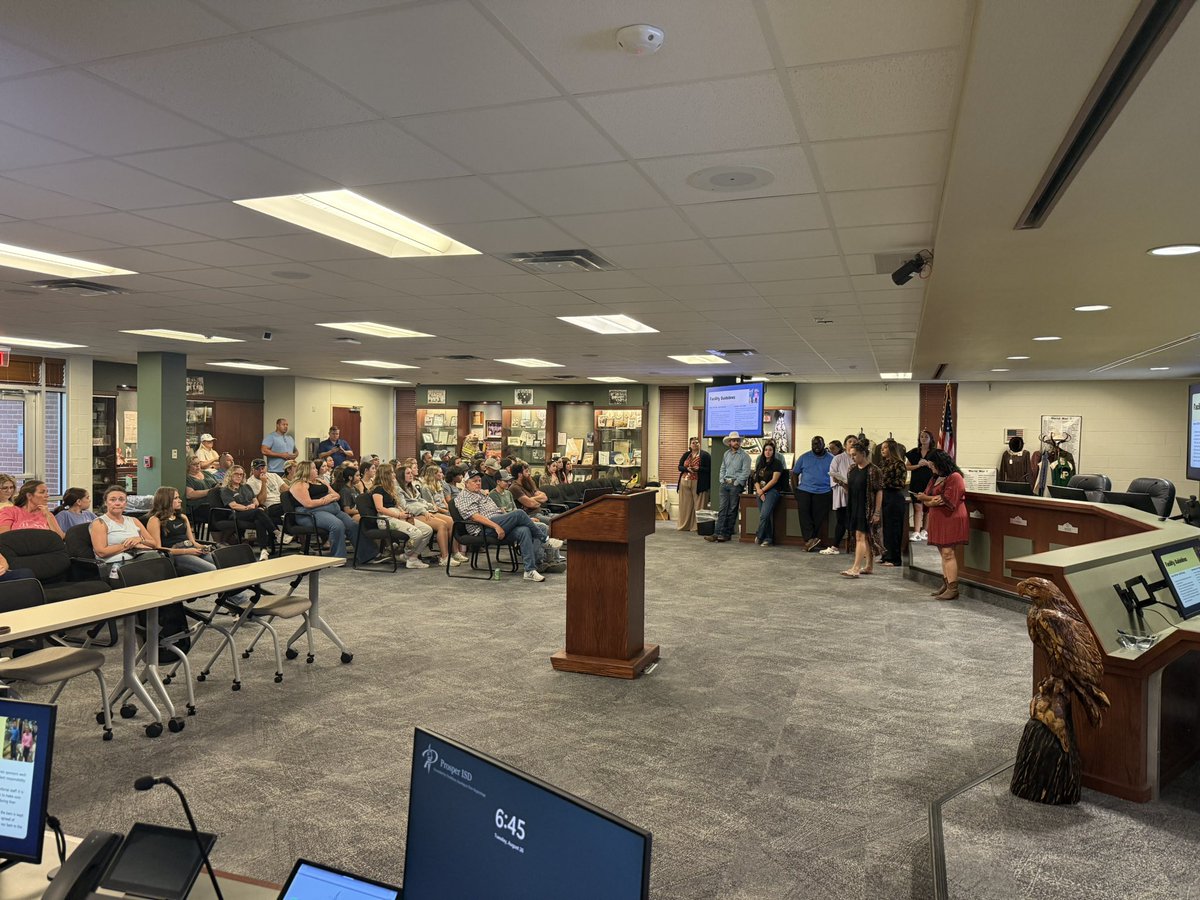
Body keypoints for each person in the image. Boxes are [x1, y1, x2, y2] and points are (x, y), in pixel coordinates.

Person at [454, 470, 564, 582]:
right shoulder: (464, 497)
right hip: (484, 527)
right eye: (474, 481)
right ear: (466, 483)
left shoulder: (481, 494)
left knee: (526, 530)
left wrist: (525, 520)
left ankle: (530, 570)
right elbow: (475, 517)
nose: (478, 483)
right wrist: (496, 526)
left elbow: (498, 511)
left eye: (479, 481)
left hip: (498, 520)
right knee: (520, 513)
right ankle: (545, 540)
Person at [290, 461, 377, 565]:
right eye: (313, 468)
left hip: (330, 509)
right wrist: (325, 500)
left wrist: (329, 499)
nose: (316, 470)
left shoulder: (320, 481)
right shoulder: (299, 484)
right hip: (311, 513)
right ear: (306, 471)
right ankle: (337, 558)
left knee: (352, 525)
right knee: (337, 525)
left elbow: (336, 495)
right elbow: (308, 503)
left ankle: (367, 555)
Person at [916, 449, 969, 601]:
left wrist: (927, 498)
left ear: (940, 463)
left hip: (951, 519)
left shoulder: (955, 477)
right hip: (938, 519)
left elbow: (947, 500)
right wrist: (929, 499)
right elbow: (929, 499)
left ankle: (953, 588)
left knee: (948, 553)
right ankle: (946, 584)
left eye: (933, 465)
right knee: (942, 553)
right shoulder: (935, 478)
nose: (931, 468)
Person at [370, 463, 435, 569]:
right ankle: (408, 555)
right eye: (391, 472)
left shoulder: (390, 488)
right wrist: (398, 515)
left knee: (427, 530)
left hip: (397, 514)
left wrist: (404, 514)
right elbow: (380, 508)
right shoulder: (378, 489)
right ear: (385, 474)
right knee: (416, 533)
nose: (394, 474)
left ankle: (411, 557)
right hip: (385, 519)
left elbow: (396, 504)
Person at [146, 486, 215, 575]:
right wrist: (186, 551)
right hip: (176, 554)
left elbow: (193, 542)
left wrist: (203, 547)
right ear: (166, 500)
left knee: (223, 564)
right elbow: (158, 548)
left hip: (191, 549)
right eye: (176, 498)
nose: (180, 500)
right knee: (213, 569)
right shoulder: (155, 520)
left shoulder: (183, 517)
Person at [399, 464, 457, 567]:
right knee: (442, 525)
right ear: (401, 476)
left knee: (451, 521)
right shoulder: (398, 489)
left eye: (411, 473)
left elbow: (420, 500)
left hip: (423, 510)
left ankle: (454, 552)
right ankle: (444, 557)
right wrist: (424, 510)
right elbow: (405, 506)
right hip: (413, 514)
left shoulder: (411, 486)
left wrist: (429, 506)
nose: (411, 475)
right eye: (408, 473)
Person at [90, 485, 158, 572]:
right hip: (116, 564)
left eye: (121, 500)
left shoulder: (134, 520)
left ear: (125, 503)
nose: (117, 503)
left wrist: (140, 540)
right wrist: (128, 545)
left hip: (138, 557)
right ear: (106, 503)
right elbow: (101, 552)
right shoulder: (100, 523)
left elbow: (153, 543)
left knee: (156, 558)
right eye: (112, 500)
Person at [841, 442, 882, 578]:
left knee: (861, 537)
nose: (852, 457)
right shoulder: (851, 469)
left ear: (863, 454)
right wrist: (840, 482)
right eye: (850, 455)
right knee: (865, 538)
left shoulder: (873, 470)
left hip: (866, 508)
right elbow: (851, 489)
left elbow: (879, 492)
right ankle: (869, 566)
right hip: (854, 506)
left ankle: (856, 568)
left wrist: (877, 512)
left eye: (854, 455)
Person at [218, 465, 278, 558]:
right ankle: (276, 532)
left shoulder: (246, 487)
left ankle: (263, 551)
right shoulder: (226, 490)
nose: (239, 476)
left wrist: (253, 505)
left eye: (241, 475)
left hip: (251, 512)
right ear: (230, 475)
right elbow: (233, 505)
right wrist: (248, 508)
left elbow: (256, 501)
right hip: (237, 513)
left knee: (259, 521)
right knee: (259, 512)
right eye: (236, 474)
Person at [790, 436, 833, 552]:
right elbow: (794, 474)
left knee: (818, 518)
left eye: (819, 444)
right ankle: (810, 539)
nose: (816, 447)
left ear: (824, 444)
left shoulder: (831, 459)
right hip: (805, 490)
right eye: (814, 444)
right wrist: (795, 491)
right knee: (804, 516)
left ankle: (810, 541)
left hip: (824, 492)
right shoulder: (804, 457)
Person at [706, 432, 750, 543]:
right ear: (730, 442)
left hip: (735, 484)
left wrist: (736, 482)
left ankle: (726, 534)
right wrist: (722, 480)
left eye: (737, 440)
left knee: (732, 510)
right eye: (734, 440)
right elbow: (722, 468)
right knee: (722, 510)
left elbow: (746, 472)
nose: (736, 442)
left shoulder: (745, 456)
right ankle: (717, 533)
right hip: (725, 484)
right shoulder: (726, 454)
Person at [878, 439, 908, 567]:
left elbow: (900, 483)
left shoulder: (899, 464)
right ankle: (886, 555)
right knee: (886, 528)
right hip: (884, 496)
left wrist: (883, 483)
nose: (882, 450)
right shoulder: (883, 463)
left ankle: (895, 558)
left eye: (884, 448)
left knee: (894, 528)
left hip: (894, 497)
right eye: (882, 448)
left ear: (891, 449)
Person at [752, 439, 786, 547]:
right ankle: (768, 538)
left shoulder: (777, 463)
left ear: (773, 451)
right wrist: (759, 491)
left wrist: (763, 490)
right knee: (765, 516)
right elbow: (755, 479)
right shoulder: (760, 462)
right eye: (766, 450)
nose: (768, 452)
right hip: (760, 491)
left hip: (772, 491)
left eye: (770, 450)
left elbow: (774, 480)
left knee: (764, 514)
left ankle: (760, 535)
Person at [819, 439, 851, 556]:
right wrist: (841, 482)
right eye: (850, 442)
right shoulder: (838, 458)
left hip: (855, 493)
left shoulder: (860, 457)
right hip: (841, 491)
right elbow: (832, 474)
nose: (852, 444)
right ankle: (835, 546)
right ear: (845, 445)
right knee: (841, 520)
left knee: (854, 521)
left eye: (854, 442)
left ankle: (861, 547)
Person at [0, 480, 64, 536]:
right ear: (29, 495)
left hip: (44, 548)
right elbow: (4, 536)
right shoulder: (9, 511)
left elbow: (59, 537)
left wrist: (48, 515)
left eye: (47, 492)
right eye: (42, 492)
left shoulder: (47, 514)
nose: (47, 495)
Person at [906, 429, 935, 542]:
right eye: (921, 437)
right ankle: (916, 531)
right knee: (917, 507)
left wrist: (928, 464)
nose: (923, 439)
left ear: (930, 439)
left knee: (927, 508)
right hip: (916, 483)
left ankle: (925, 530)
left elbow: (939, 467)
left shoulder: (934, 453)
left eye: (926, 437)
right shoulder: (914, 452)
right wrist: (918, 465)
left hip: (929, 483)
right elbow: (907, 467)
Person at [676, 437, 710, 532]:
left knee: (699, 506)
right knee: (685, 506)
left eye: (697, 442)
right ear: (690, 445)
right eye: (693, 443)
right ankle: (685, 526)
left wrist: (699, 469)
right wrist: (687, 469)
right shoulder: (686, 455)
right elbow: (679, 467)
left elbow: (709, 469)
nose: (695, 444)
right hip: (685, 482)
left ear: (699, 444)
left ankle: (697, 527)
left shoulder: (705, 455)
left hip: (699, 483)